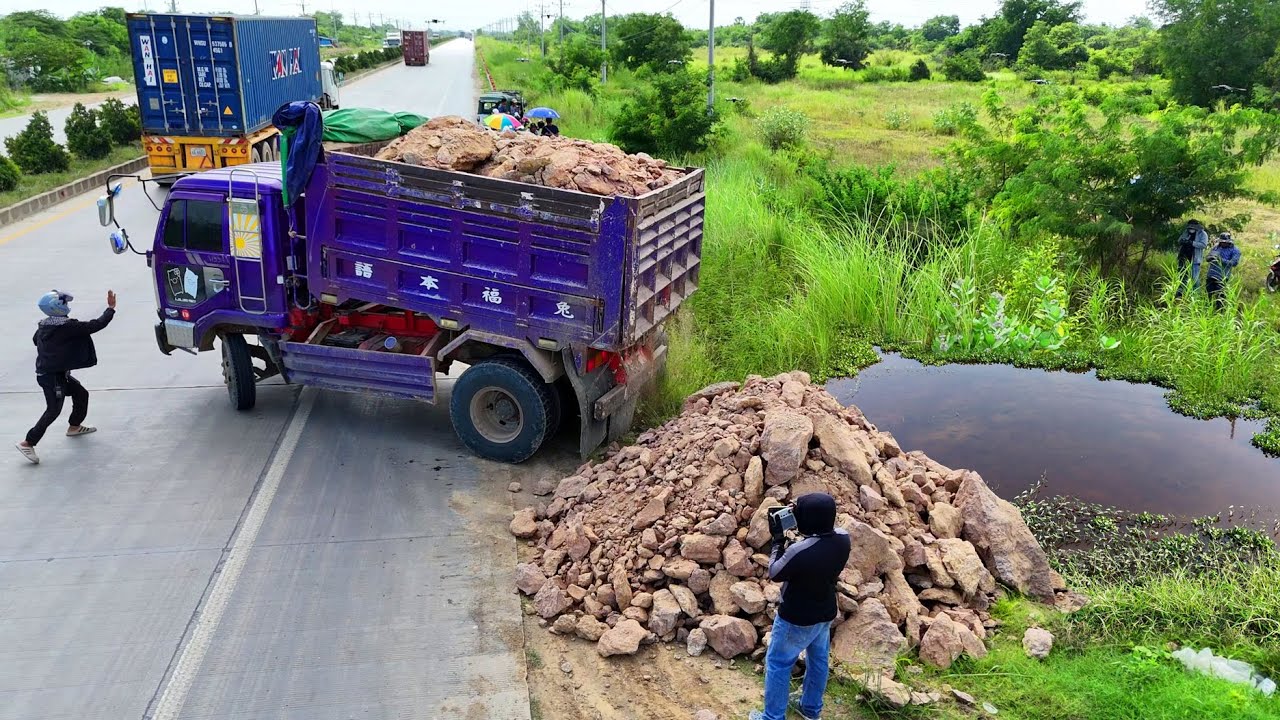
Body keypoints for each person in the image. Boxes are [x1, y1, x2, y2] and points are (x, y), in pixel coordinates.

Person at [750, 493, 851, 720]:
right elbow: (815, 549)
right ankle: (810, 710)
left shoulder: (800, 551)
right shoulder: (844, 538)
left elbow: (775, 572)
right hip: (824, 612)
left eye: (798, 511)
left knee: (778, 663)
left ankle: (772, 717)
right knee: (818, 660)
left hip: (796, 617)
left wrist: (778, 541)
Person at [16, 289, 116, 465]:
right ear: (58, 308)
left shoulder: (44, 324)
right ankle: (28, 442)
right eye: (65, 304)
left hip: (56, 373)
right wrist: (111, 308)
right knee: (53, 410)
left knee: (81, 394)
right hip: (51, 377)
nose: (68, 306)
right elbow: (95, 325)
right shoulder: (67, 327)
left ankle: (74, 426)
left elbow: (35, 340)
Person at [1205, 232, 1241, 311]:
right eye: (1221, 242)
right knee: (1209, 295)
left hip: (1222, 276)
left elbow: (1233, 263)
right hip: (1211, 274)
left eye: (1224, 242)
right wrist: (1210, 257)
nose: (1222, 244)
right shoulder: (1216, 247)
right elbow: (1207, 258)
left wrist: (1220, 259)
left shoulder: (1235, 250)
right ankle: (1209, 311)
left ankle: (1220, 312)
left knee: (1220, 296)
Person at [1175, 219, 1208, 297]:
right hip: (1183, 257)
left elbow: (1203, 245)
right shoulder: (1186, 232)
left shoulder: (1202, 234)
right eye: (1190, 227)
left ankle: (1195, 296)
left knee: (1194, 279)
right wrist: (1183, 241)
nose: (1191, 229)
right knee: (1182, 277)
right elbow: (1179, 240)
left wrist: (1192, 243)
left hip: (1195, 259)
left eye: (1193, 227)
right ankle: (1180, 295)